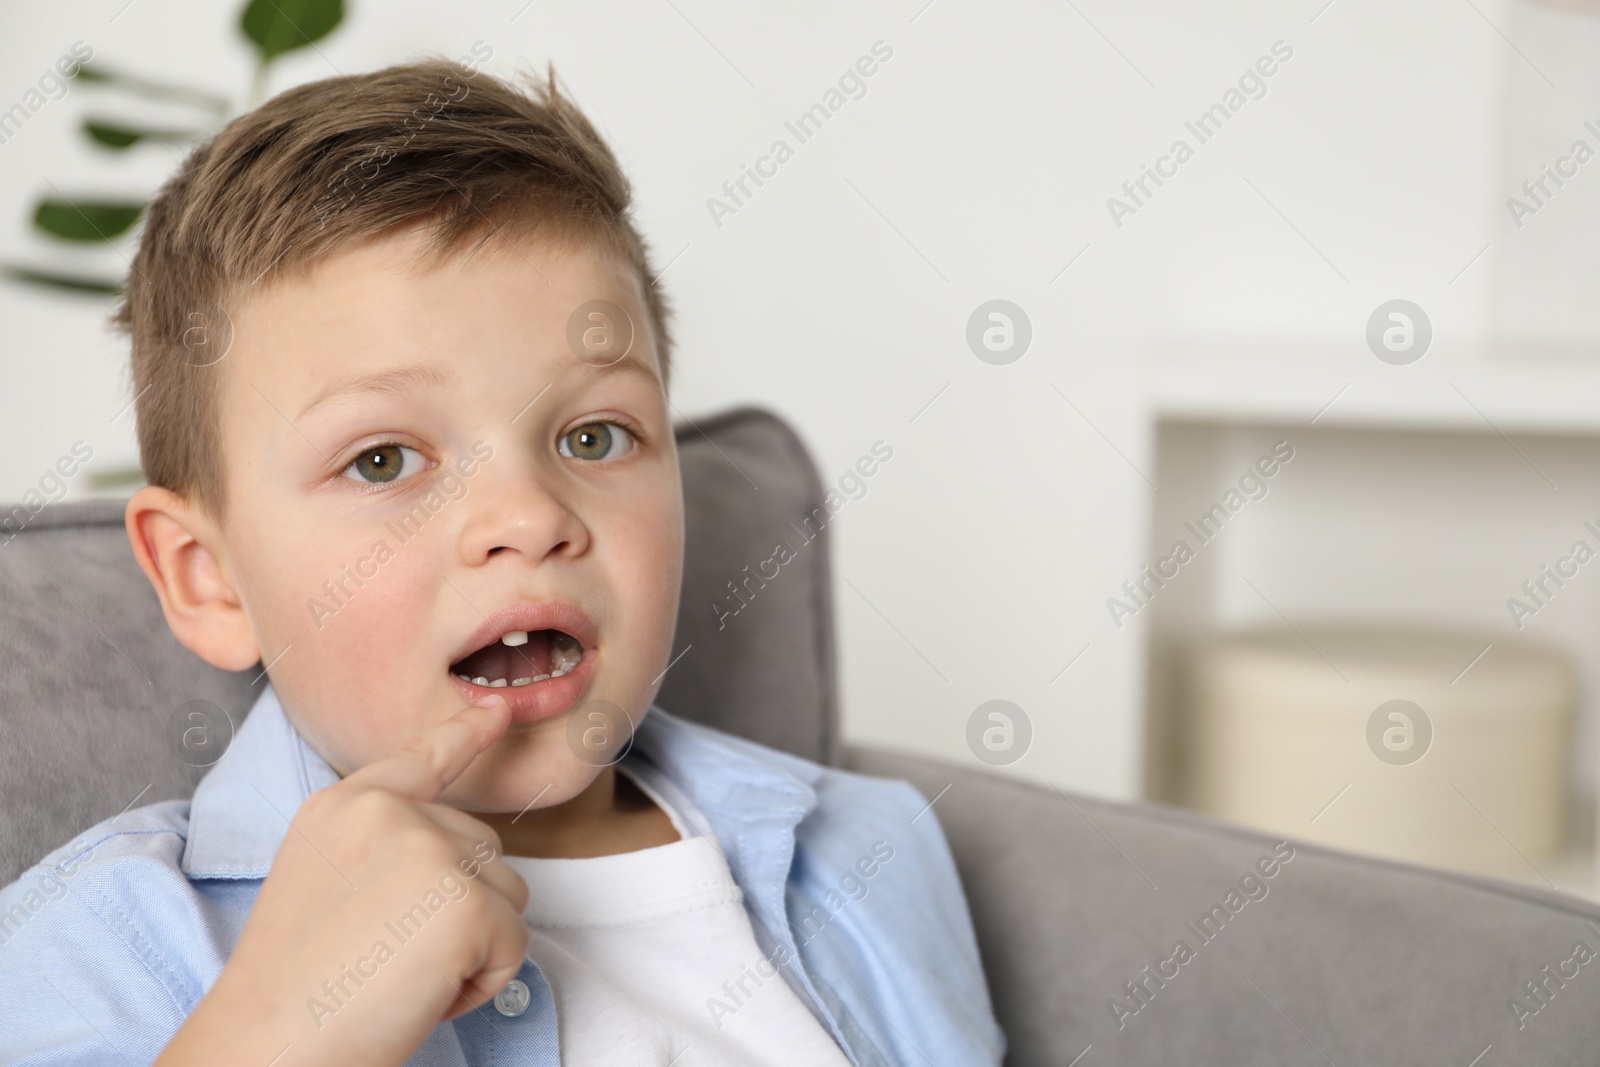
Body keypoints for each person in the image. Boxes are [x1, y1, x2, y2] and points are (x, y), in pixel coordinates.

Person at [0, 57, 1004, 1066]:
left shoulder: (866, 844)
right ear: (207, 578)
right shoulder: (101, 946)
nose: (529, 517)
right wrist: (281, 1030)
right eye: (384, 459)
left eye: (595, 436)